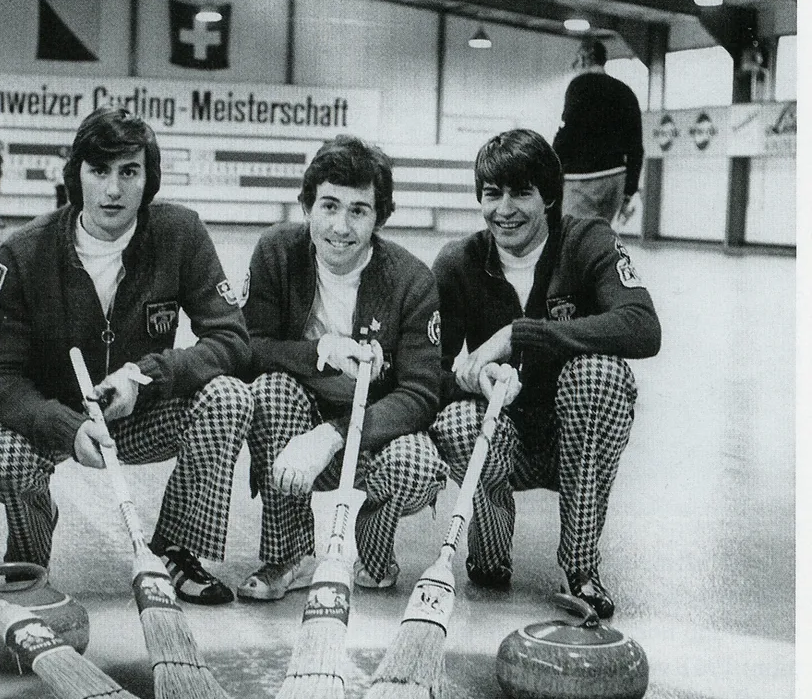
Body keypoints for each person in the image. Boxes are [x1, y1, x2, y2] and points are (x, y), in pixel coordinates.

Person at [0, 107, 252, 605]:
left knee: (229, 398)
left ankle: (175, 549)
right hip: (54, 417)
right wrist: (67, 428)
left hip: (139, 411)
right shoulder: (23, 252)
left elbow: (230, 339)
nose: (112, 190)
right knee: (0, 456)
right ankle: (30, 555)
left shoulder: (181, 234)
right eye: (98, 171)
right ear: (75, 174)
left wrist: (145, 376)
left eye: (129, 172)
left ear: (150, 179)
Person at [430, 129, 661, 619]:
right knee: (454, 420)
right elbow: (428, 372)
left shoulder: (587, 240)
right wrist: (471, 378)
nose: (505, 209)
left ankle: (581, 568)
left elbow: (643, 326)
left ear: (550, 197)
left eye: (522, 193)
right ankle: (489, 547)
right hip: (502, 437)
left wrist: (522, 333)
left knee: (598, 375)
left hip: (574, 440)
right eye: (492, 194)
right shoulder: (458, 262)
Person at [238, 135, 447, 601]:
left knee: (417, 462)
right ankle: (287, 553)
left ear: (380, 218)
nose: (340, 226)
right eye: (329, 206)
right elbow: (248, 348)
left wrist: (332, 435)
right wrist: (321, 351)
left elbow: (420, 394)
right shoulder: (276, 251)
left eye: (359, 210)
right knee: (270, 390)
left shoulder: (411, 280)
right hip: (296, 428)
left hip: (372, 439)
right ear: (307, 205)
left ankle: (374, 545)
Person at [553, 38, 644, 225]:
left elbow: (567, 132)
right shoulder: (625, 91)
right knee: (600, 236)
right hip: (616, 178)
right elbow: (636, 146)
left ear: (584, 58)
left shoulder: (579, 85)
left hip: (583, 178)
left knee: (574, 238)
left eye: (577, 60)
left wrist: (552, 167)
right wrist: (629, 191)